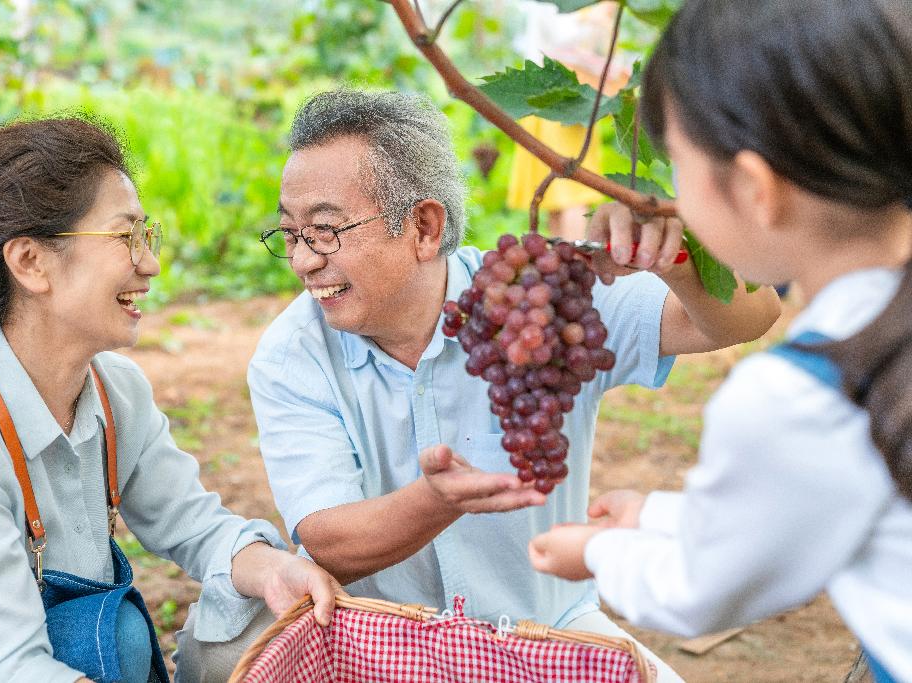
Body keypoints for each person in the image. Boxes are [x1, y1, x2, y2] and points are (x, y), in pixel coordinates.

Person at [240, 88, 781, 681]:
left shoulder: (539, 301)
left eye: (326, 230)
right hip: (383, 644)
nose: (303, 261)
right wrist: (436, 500)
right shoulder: (292, 355)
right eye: (290, 233)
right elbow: (330, 540)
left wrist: (671, 252)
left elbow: (752, 315)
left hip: (549, 633)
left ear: (424, 226)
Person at [527, 2, 912, 682]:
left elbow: (704, 586)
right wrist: (655, 513)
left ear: (757, 191)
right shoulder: (881, 341)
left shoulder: (798, 394)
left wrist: (599, 553)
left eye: (676, 161)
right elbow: (814, 496)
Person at [0, 117, 340, 683]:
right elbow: (5, 664)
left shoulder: (113, 389)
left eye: (145, 236)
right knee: (115, 639)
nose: (149, 264)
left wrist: (274, 566)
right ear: (30, 262)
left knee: (148, 631)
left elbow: (194, 526)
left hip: (49, 643)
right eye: (125, 237)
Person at [506, 1, 631, 240]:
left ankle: (563, 258)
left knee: (559, 189)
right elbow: (564, 40)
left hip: (552, 95)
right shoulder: (572, 10)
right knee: (571, 188)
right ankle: (571, 257)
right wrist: (597, 17)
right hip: (564, 97)